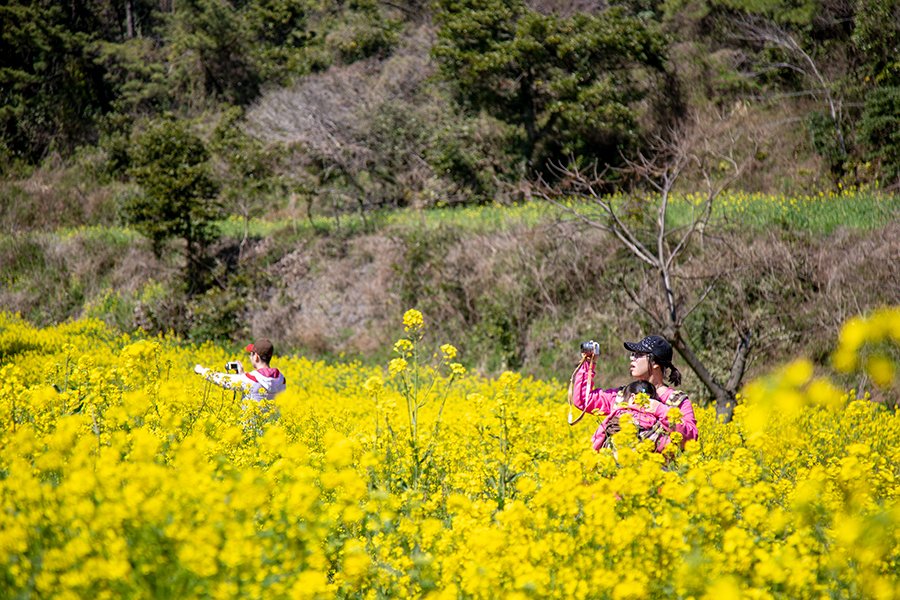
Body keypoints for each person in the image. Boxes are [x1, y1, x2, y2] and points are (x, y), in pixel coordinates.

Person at [569, 335, 697, 456]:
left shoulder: (677, 402)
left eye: (639, 355)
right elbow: (583, 400)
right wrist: (588, 363)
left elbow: (691, 438)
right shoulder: (622, 395)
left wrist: (659, 409)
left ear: (655, 363)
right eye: (632, 354)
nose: (632, 358)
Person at [194, 338, 287, 422]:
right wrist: (242, 375)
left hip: (252, 434)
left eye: (251, 354)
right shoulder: (281, 379)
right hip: (273, 435)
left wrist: (202, 371)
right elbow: (259, 386)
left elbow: (224, 380)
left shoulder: (250, 379)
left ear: (256, 357)